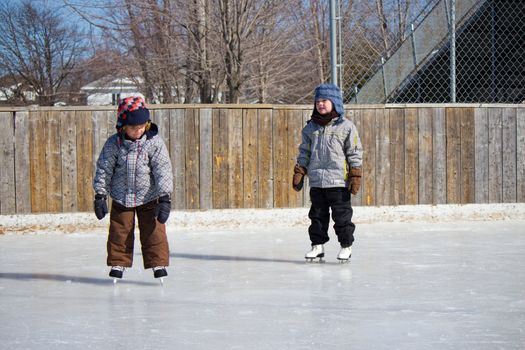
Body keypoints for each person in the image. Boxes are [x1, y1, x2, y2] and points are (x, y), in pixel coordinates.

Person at [93, 96, 173, 280]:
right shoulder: (113, 144)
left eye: (141, 127)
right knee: (119, 232)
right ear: (122, 126)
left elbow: (163, 170)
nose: (138, 131)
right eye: (133, 128)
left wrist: (165, 197)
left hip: (149, 197)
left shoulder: (154, 143)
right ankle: (118, 263)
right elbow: (104, 169)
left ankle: (157, 263)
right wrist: (100, 195)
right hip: (122, 197)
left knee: (154, 231)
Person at [293, 83, 363, 262]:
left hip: (339, 182)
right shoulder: (310, 128)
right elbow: (304, 151)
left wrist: (355, 174)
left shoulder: (346, 127)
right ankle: (317, 246)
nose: (320, 104)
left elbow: (354, 151)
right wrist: (300, 170)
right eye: (318, 101)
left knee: (342, 217)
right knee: (316, 217)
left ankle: (346, 246)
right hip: (317, 181)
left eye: (325, 100)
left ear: (335, 102)